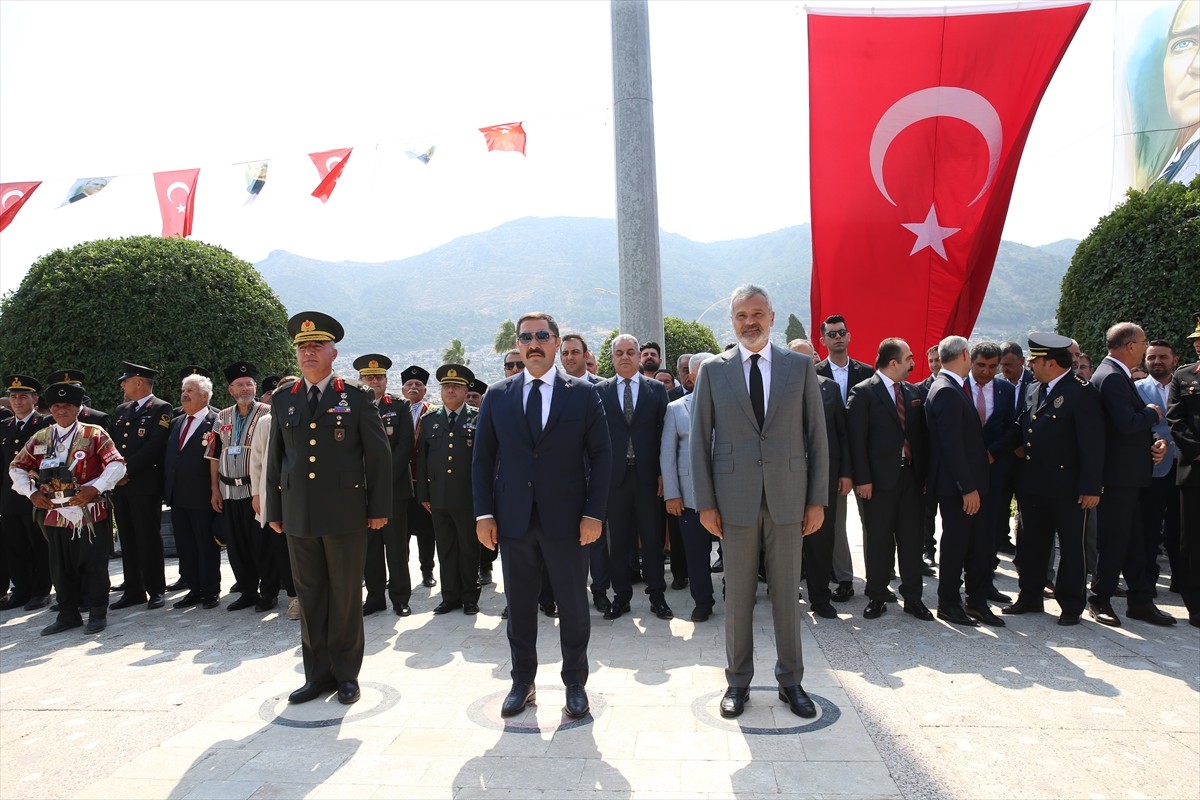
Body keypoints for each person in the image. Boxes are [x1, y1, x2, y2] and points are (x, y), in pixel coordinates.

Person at [691, 285, 828, 720]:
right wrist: (706, 503)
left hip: (789, 499)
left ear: (771, 316)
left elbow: (816, 436)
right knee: (738, 598)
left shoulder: (799, 367)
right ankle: (737, 681)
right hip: (734, 503)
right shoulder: (713, 370)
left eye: (756, 314)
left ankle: (791, 681)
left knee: (788, 595)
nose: (749, 322)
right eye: (741, 316)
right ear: (732, 322)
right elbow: (699, 441)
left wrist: (816, 500)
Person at [473, 311, 612, 719]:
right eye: (525, 337)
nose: (533, 343)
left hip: (568, 521)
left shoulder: (582, 394)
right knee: (519, 607)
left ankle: (575, 683)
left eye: (541, 336)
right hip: (513, 519)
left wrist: (594, 514)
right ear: (518, 345)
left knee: (573, 605)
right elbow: (482, 460)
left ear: (555, 342)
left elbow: (602, 457)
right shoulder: (498, 395)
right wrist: (483, 514)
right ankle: (522, 682)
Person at [264, 312, 392, 706]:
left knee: (345, 596)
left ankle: (346, 674)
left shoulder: (355, 396)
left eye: (317, 345)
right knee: (310, 596)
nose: (308, 352)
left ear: (333, 353)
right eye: (303, 347)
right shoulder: (283, 398)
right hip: (298, 513)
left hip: (344, 512)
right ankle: (316, 675)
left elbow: (379, 457)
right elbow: (275, 459)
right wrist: (273, 509)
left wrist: (378, 507)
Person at [1001, 333, 1103, 625]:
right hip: (1033, 483)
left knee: (1071, 547)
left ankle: (1071, 604)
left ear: (1051, 363)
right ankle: (1030, 596)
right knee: (1032, 544)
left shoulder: (1082, 392)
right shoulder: (1034, 388)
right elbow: (1022, 427)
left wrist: (1091, 487)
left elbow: (1093, 445)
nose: (1030, 365)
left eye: (1035, 360)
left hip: (1068, 487)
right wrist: (993, 451)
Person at [9, 382, 126, 635]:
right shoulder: (41, 437)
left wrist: (95, 488)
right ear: (50, 409)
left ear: (78, 408)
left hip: (89, 511)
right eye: (56, 406)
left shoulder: (94, 433)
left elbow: (117, 465)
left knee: (94, 566)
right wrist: (32, 493)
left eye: (68, 406)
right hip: (54, 514)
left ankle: (97, 612)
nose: (62, 411)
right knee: (60, 569)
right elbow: (16, 467)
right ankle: (67, 615)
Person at [1087, 323, 1176, 627]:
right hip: (1117, 477)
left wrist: (1154, 442)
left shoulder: (1117, 374)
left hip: (1130, 474)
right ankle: (1099, 599)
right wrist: (1152, 413)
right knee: (1115, 541)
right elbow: (1125, 424)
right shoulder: (1112, 377)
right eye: (1143, 342)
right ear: (1130, 346)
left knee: (1135, 541)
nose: (1145, 346)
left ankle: (1140, 601)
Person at [849, 338, 930, 622]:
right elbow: (856, 441)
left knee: (911, 540)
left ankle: (913, 598)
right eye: (909, 358)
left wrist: (924, 475)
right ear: (893, 362)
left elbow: (920, 437)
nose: (913, 363)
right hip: (877, 482)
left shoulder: (912, 392)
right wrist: (862, 479)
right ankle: (877, 595)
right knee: (879, 540)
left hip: (911, 478)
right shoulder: (863, 392)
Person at [925, 337, 1004, 627]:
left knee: (975, 545)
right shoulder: (947, 390)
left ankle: (975, 601)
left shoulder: (950, 386)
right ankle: (949, 603)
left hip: (967, 484)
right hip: (959, 487)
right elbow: (951, 446)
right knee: (957, 546)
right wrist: (967, 487)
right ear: (964, 355)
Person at [597, 334, 671, 621]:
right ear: (612, 358)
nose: (625, 357)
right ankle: (621, 596)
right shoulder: (600, 391)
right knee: (618, 541)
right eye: (619, 353)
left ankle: (657, 596)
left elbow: (665, 433)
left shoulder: (656, 390)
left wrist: (663, 472)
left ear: (639, 356)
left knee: (652, 538)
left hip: (648, 476)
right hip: (614, 478)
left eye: (630, 352)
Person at [787, 341, 852, 620]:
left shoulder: (830, 388)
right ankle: (788, 595)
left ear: (814, 359)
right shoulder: (777, 388)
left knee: (822, 539)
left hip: (824, 475)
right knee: (788, 539)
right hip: (787, 476)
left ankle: (820, 597)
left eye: (808, 358)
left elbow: (842, 433)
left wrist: (845, 473)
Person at [207, 362, 278, 613]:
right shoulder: (222, 417)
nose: (245, 388)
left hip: (256, 490)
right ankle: (247, 591)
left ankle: (268, 593)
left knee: (262, 544)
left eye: (249, 384)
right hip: (229, 491)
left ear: (255, 387)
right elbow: (213, 455)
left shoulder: (269, 413)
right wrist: (214, 489)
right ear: (230, 389)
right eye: (239, 384)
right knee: (237, 546)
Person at [815, 314, 874, 603]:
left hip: (866, 461)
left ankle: (878, 581)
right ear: (823, 340)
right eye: (832, 334)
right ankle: (844, 579)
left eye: (842, 332)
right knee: (836, 525)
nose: (838, 337)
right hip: (833, 463)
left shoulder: (868, 373)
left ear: (849, 336)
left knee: (872, 523)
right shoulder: (813, 375)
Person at [416, 364, 482, 616]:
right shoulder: (429, 420)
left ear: (466, 391)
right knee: (445, 549)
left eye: (456, 386)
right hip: (439, 497)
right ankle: (449, 596)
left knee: (468, 548)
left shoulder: (477, 418)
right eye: (446, 386)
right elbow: (422, 460)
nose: (450, 390)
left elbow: (484, 460)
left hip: (467, 498)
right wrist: (424, 495)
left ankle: (470, 597)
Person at [354, 354, 416, 618]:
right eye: (369, 377)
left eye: (379, 377)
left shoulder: (399, 406)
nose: (374, 382)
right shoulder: (352, 406)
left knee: (396, 547)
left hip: (393, 490)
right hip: (363, 490)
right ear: (360, 380)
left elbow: (405, 446)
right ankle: (375, 597)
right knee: (370, 548)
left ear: (386, 380)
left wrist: (381, 479)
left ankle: (400, 598)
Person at [109, 362, 173, 611]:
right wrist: (114, 473)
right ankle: (133, 590)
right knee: (127, 538)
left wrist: (125, 471)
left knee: (148, 537)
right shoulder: (121, 410)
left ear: (139, 382)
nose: (122, 385)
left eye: (125, 381)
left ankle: (156, 589)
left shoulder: (160, 408)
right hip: (120, 485)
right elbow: (111, 445)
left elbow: (154, 446)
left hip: (144, 484)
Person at [661, 352, 719, 621]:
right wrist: (672, 494)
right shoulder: (676, 409)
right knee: (696, 552)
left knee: (735, 551)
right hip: (690, 494)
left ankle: (739, 594)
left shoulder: (732, 404)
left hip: (729, 492)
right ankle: (702, 601)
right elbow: (667, 455)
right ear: (693, 377)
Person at [163, 373, 221, 610]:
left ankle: (210, 590)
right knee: (186, 545)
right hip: (178, 495)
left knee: (205, 544)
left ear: (205, 396)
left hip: (202, 494)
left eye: (190, 391)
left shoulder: (216, 421)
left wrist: (215, 489)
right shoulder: (177, 422)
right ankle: (194, 588)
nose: (184, 395)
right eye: (183, 390)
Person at [249, 374, 301, 621]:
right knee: (281, 549)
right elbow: (257, 461)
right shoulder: (265, 422)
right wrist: (257, 494)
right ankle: (294, 598)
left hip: (302, 495)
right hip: (275, 495)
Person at [0, 376, 52, 612]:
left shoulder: (45, 424)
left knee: (38, 544)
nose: (17, 401)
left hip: (35, 495)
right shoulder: (5, 426)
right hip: (9, 496)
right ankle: (21, 590)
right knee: (15, 545)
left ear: (35, 399)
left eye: (23, 396)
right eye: (13, 397)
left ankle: (41, 591)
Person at [1137, 340, 1182, 594]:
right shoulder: (1136, 390)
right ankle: (1146, 582)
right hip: (1152, 468)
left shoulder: (1187, 386)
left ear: (1175, 360)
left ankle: (1182, 579)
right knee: (1149, 527)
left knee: (1182, 528)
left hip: (1184, 467)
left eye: (1163, 357)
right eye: (1151, 357)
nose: (1157, 362)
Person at [1166, 311, 1200, 627]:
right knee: (1193, 540)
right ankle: (1196, 604)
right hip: (1194, 471)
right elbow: (1175, 419)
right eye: (1196, 341)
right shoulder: (1184, 375)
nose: (1198, 346)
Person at [400, 365, 438, 589]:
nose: (413, 387)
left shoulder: (432, 413)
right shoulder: (395, 410)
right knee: (400, 532)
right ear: (403, 389)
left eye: (418, 384)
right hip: (399, 481)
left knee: (426, 531)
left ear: (425, 389)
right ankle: (400, 573)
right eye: (409, 384)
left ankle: (427, 571)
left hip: (422, 481)